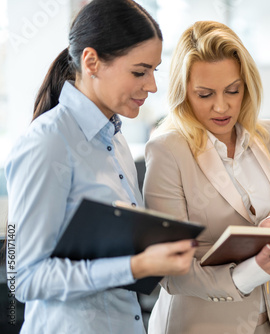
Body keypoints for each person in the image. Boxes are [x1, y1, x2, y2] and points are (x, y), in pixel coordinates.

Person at [5, 1, 197, 333]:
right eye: (139, 71)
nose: (151, 86)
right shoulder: (48, 142)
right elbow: (23, 278)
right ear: (92, 62)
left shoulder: (116, 139)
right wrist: (134, 266)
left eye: (154, 71)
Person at [143, 21, 270, 334]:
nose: (222, 106)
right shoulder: (167, 150)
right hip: (199, 325)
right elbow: (168, 271)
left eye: (233, 90)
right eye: (204, 94)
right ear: (183, 92)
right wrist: (250, 273)